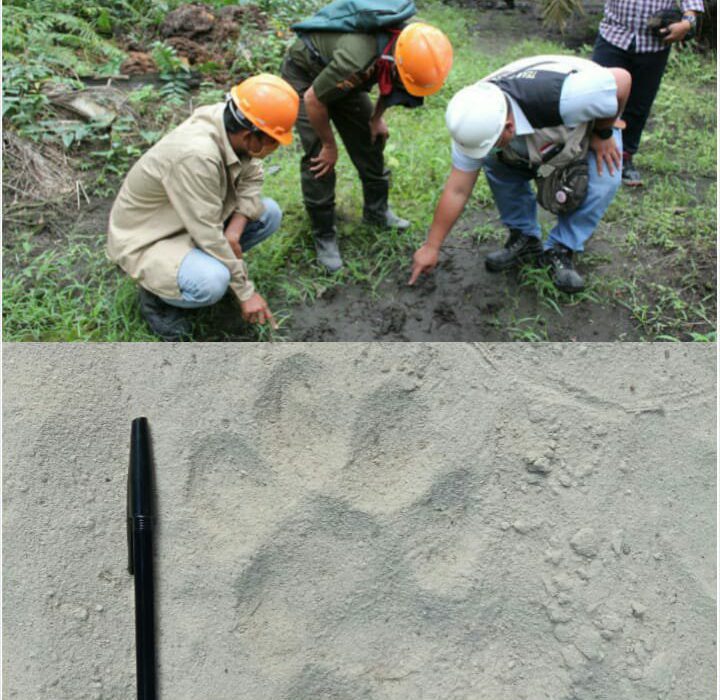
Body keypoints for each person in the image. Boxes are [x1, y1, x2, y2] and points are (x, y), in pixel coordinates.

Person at [409, 55, 632, 294]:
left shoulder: (570, 97)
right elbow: (457, 189)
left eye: (492, 142)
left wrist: (603, 132)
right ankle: (524, 237)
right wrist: (431, 246)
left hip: (584, 117)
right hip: (532, 119)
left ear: (508, 128)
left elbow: (622, 80)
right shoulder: (473, 118)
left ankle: (562, 247)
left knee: (605, 177)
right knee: (495, 161)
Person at [107, 74, 299, 341]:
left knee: (269, 213)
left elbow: (253, 175)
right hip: (150, 237)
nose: (276, 148)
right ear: (250, 135)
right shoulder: (196, 155)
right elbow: (207, 232)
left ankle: (196, 268)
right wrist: (246, 292)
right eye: (274, 141)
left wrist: (234, 230)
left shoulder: (229, 124)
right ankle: (157, 298)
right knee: (212, 282)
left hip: (191, 219)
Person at [281, 8, 453, 272]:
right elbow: (314, 100)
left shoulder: (414, 40)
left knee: (371, 139)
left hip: (340, 74)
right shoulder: (357, 61)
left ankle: (376, 211)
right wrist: (329, 145)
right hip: (307, 78)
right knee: (319, 159)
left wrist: (376, 117)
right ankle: (324, 235)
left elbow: (393, 80)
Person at [592, 0, 704, 187]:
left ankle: (625, 157)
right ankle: (586, 151)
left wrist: (686, 23)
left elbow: (691, 4)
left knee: (639, 104)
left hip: (653, 45)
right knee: (597, 95)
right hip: (614, 36)